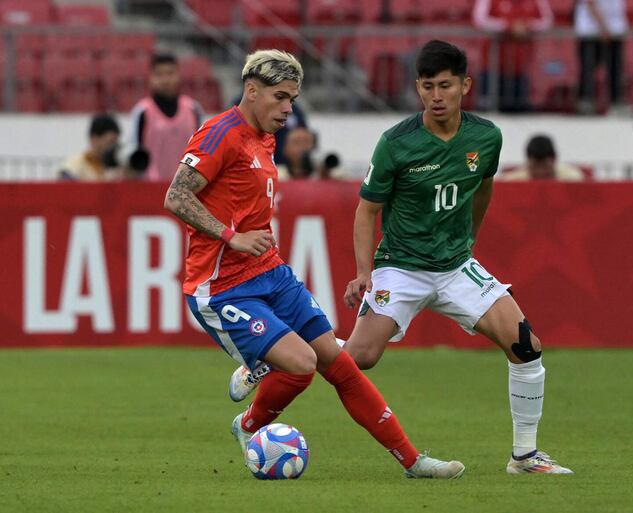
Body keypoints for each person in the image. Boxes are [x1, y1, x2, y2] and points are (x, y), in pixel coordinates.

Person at [163, 49, 463, 479]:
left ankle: (413, 461)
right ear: (252, 90)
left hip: (270, 272)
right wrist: (232, 236)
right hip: (223, 286)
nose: (289, 109)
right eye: (281, 97)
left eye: (293, 99)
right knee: (302, 364)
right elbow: (176, 196)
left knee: (337, 363)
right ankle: (255, 384)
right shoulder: (219, 133)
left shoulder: (266, 137)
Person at [341, 40, 570, 474]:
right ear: (418, 88)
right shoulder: (396, 143)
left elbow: (483, 187)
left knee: (526, 346)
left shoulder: (486, 137)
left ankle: (524, 456)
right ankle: (290, 352)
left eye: (445, 85)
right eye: (427, 86)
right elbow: (366, 210)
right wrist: (364, 272)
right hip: (401, 266)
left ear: (465, 85)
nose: (436, 96)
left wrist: (470, 242)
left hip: (455, 267)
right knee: (360, 358)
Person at [129, 53, 203, 182]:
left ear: (178, 75)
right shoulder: (142, 111)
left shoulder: (193, 109)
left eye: (170, 73)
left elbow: (201, 151)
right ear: (150, 78)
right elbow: (134, 151)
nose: (165, 79)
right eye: (159, 74)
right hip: (151, 186)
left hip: (186, 187)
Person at [472, 0, 554, 112]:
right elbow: (480, 19)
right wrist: (509, 26)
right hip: (492, 66)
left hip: (521, 66)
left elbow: (547, 21)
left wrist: (527, 26)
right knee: (488, 110)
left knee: (518, 111)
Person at [574, 0, 628, 115]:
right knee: (588, 68)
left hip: (614, 30)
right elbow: (590, 3)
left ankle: (616, 102)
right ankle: (586, 102)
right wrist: (603, 27)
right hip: (591, 30)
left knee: (615, 68)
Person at [59, 114, 125, 181]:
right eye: (110, 142)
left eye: (115, 143)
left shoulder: (117, 167)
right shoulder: (72, 167)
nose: (113, 147)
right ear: (94, 139)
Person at [499, 134, 585, 180]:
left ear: (554, 160)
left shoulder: (573, 179)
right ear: (528, 162)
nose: (540, 172)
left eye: (545, 166)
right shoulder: (512, 181)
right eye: (534, 167)